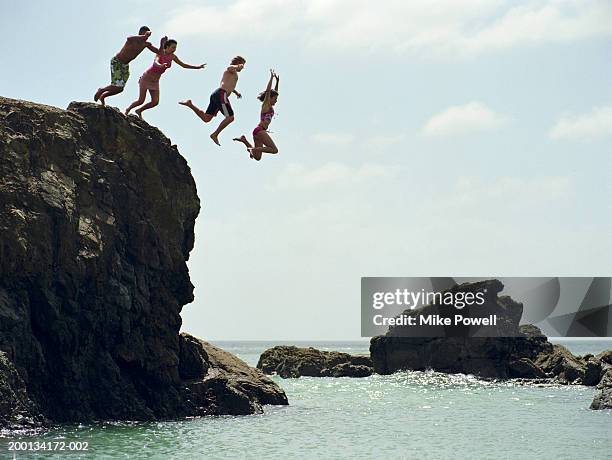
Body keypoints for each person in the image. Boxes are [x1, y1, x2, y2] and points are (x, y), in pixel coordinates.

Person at [124, 39, 205, 119]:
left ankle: (139, 110)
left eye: (175, 48)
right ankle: (127, 110)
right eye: (173, 47)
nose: (174, 50)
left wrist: (197, 67)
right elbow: (155, 61)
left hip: (155, 81)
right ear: (167, 46)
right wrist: (160, 65)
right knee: (141, 100)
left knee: (155, 102)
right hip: (146, 78)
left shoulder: (173, 57)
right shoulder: (160, 53)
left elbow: (183, 65)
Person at [179, 56, 246, 145]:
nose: (243, 67)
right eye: (243, 65)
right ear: (238, 63)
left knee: (206, 119)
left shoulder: (233, 74)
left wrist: (235, 92)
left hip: (217, 95)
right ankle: (215, 134)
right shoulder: (231, 70)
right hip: (221, 94)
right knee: (230, 117)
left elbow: (228, 84)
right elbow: (230, 67)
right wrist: (238, 66)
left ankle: (190, 104)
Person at [94, 26, 164, 106]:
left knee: (120, 89)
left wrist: (162, 44)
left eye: (148, 36)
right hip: (117, 62)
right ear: (140, 33)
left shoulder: (146, 44)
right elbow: (129, 38)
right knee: (116, 85)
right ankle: (102, 90)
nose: (147, 38)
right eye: (145, 35)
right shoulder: (133, 40)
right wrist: (144, 36)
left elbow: (159, 52)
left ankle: (103, 96)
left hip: (125, 66)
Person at [233, 69, 279, 161]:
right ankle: (252, 149)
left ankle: (244, 141)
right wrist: (271, 78)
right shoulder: (266, 105)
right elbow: (268, 92)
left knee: (257, 157)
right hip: (260, 131)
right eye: (275, 99)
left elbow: (274, 92)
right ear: (269, 98)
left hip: (257, 132)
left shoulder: (270, 105)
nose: (276, 101)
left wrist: (277, 82)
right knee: (274, 150)